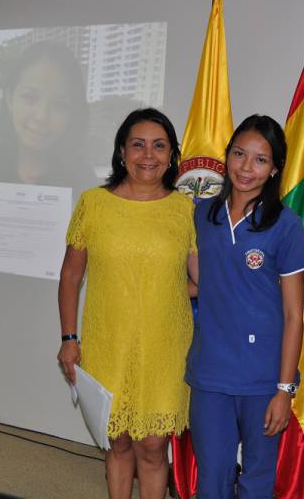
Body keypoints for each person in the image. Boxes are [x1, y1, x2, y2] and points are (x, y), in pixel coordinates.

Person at [57, 108, 198, 499]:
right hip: (108, 342)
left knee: (153, 447)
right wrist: (69, 337)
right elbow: (71, 277)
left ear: (172, 155)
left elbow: (203, 281)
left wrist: (164, 289)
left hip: (165, 346)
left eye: (159, 145)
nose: (147, 154)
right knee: (117, 441)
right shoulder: (94, 204)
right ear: (122, 151)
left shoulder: (184, 210)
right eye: (138, 144)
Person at [186, 115, 304, 498]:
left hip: (262, 378)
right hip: (210, 373)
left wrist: (284, 389)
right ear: (227, 156)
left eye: (260, 159)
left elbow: (294, 315)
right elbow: (202, 284)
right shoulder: (201, 214)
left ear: (275, 168)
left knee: (257, 481)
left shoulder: (285, 225)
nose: (246, 167)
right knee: (211, 481)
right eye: (240, 153)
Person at [0, 40, 91, 266]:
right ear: (9, 98)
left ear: (72, 115)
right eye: (30, 97)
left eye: (59, 104)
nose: (42, 116)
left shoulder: (87, 187)